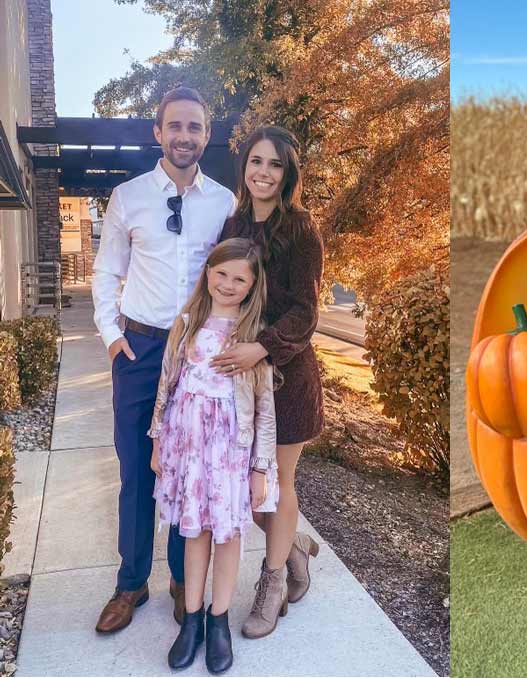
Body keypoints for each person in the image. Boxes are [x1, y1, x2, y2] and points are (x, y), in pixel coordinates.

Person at [92, 86, 236, 633]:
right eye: (175, 126)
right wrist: (111, 336)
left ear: (205, 136)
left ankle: (184, 581)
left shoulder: (224, 202)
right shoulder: (128, 197)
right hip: (140, 347)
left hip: (197, 353)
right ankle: (131, 583)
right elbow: (106, 272)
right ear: (159, 133)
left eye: (195, 127)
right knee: (136, 469)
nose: (184, 136)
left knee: (186, 471)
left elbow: (236, 278)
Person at [212, 125, 325, 638]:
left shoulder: (301, 228)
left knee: (276, 488)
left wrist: (264, 346)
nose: (262, 172)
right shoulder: (232, 223)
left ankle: (273, 581)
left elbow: (306, 310)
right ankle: (294, 543)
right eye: (255, 161)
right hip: (237, 379)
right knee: (244, 489)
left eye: (274, 164)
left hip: (286, 377)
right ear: (244, 167)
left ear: (287, 173)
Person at [148, 238, 278, 672]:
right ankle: (192, 621)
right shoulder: (187, 323)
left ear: (252, 285)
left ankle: (218, 618)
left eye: (239, 278)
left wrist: (260, 469)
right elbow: (166, 387)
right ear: (208, 273)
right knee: (195, 533)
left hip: (230, 452)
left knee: (227, 535)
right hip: (187, 448)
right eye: (221, 273)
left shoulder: (253, 337)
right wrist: (157, 442)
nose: (228, 283)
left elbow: (263, 410)